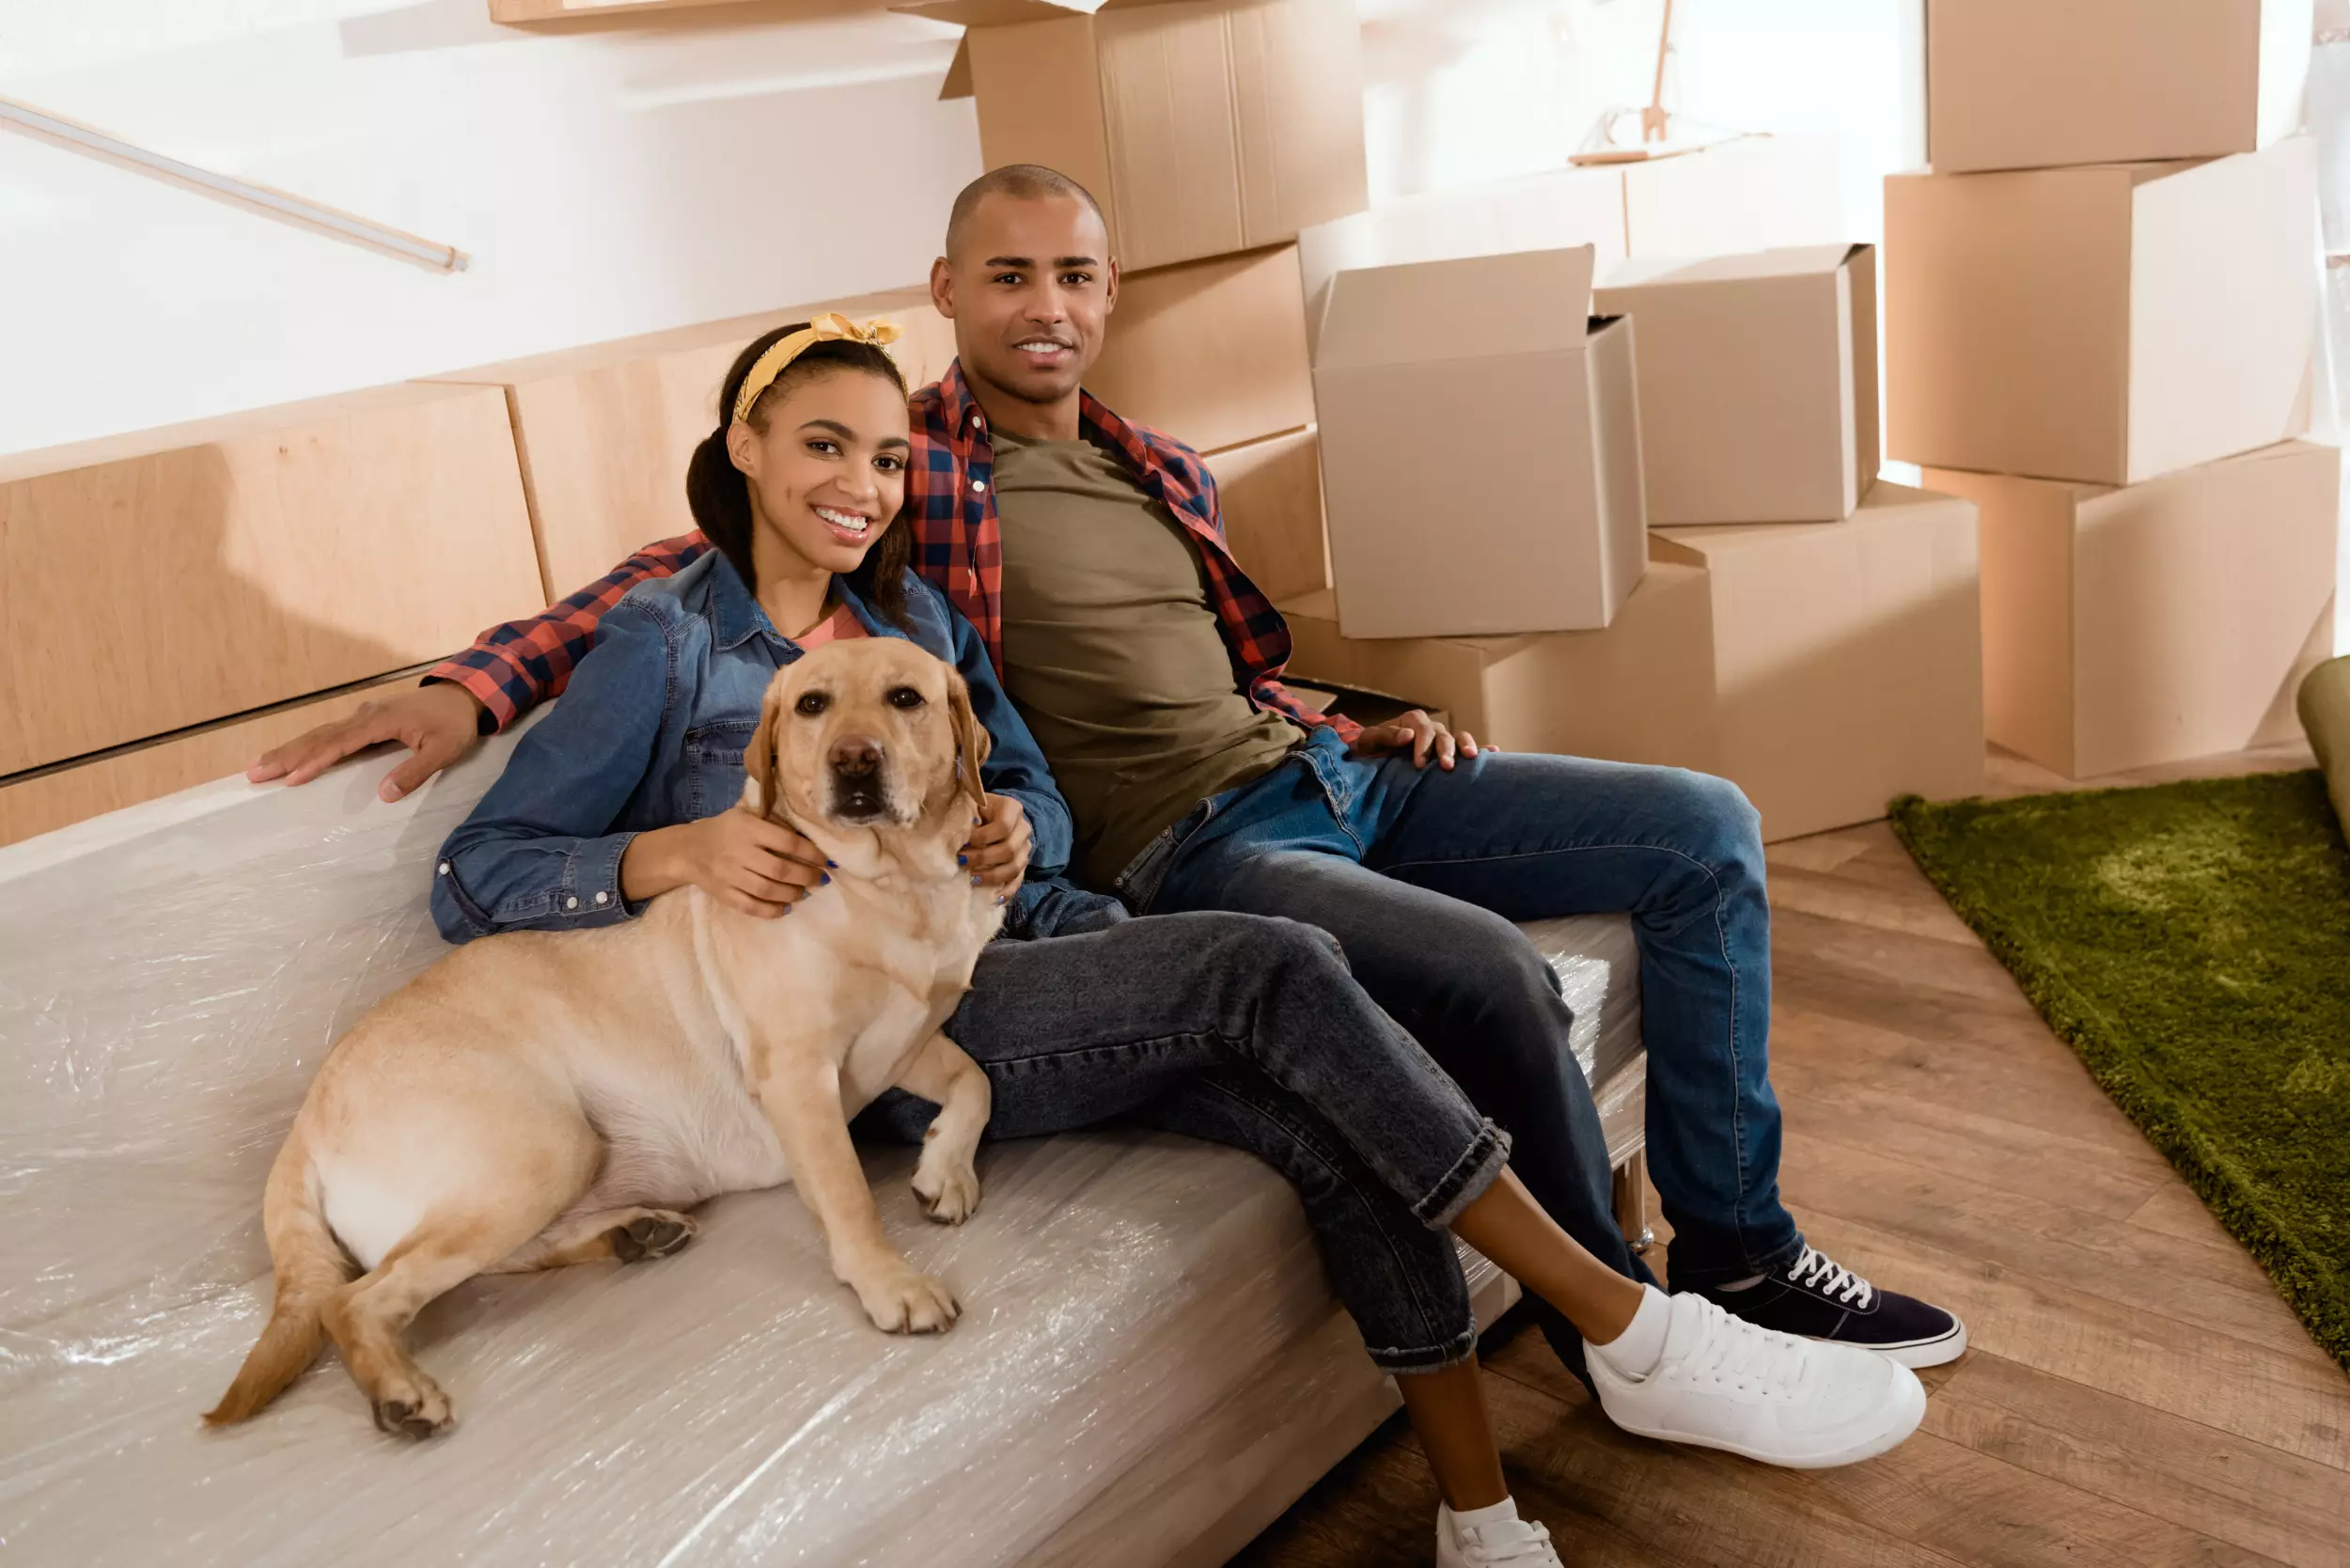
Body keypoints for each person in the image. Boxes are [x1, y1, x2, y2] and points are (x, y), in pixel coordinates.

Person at [258, 171, 1957, 1390]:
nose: (1047, 306)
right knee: (1426, 974)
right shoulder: (882, 513)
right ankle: (1634, 1331)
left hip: (1266, 786)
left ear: (1108, 291)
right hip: (1151, 867)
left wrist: (1335, 711)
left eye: (1076, 273)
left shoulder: (1110, 492)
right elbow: (684, 586)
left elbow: (1176, 669)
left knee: (1702, 825)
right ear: (946, 296)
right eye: (1008, 276)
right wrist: (483, 692)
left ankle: (1731, 1258)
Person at [402, 313, 1922, 1566]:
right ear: (741, 448)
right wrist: (674, 849)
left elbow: (1032, 792)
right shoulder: (664, 642)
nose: (859, 483)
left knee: (1321, 1108)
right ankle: (1631, 1326)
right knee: (1271, 964)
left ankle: (1483, 1526)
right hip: (872, 1029)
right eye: (819, 445)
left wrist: (1015, 832)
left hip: (1030, 939)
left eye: (882, 455)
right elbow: (484, 870)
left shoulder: (921, 620)